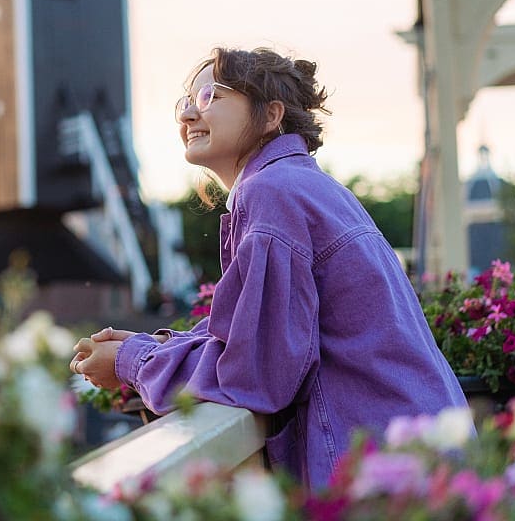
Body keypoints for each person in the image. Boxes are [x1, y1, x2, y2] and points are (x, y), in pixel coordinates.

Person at [70, 47, 468, 490]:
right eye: (185, 101)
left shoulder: (271, 194)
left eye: (209, 96)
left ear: (271, 115)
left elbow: (257, 375)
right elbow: (262, 335)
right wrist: (160, 344)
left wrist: (131, 362)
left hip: (385, 472)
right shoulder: (304, 186)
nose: (187, 114)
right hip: (421, 447)